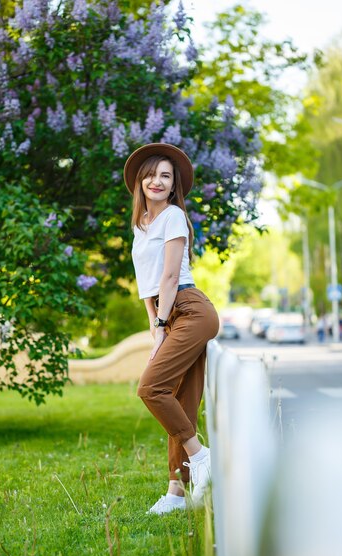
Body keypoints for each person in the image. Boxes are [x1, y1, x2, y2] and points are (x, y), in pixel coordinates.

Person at [123, 143, 220, 515]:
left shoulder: (174, 217)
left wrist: (162, 325)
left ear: (174, 183)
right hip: (167, 311)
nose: (157, 181)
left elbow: (167, 275)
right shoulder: (141, 225)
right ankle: (176, 493)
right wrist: (153, 323)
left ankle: (201, 456)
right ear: (140, 182)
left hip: (190, 310)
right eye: (151, 174)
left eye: (166, 175)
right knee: (181, 402)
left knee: (151, 388)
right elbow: (145, 282)